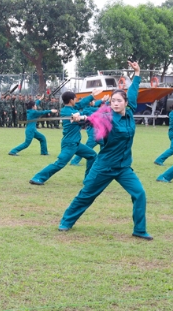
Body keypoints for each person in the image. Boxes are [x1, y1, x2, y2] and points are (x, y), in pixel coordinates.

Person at [58, 61, 152, 240]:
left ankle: (139, 230)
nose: (115, 103)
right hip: (104, 166)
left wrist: (137, 73)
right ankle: (66, 221)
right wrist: (80, 117)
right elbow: (91, 118)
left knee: (139, 194)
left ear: (125, 103)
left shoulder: (130, 113)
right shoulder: (107, 116)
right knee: (87, 194)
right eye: (113, 100)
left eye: (119, 101)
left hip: (124, 167)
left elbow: (133, 91)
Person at [30, 90, 102, 185]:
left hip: (76, 143)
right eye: (75, 99)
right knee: (59, 163)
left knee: (92, 155)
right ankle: (37, 178)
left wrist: (91, 96)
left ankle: (88, 180)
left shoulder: (70, 109)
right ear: (71, 100)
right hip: (70, 143)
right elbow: (83, 116)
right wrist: (82, 116)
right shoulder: (68, 112)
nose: (76, 100)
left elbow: (80, 104)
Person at [71, 95, 109, 166]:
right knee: (88, 148)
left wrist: (102, 100)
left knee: (103, 144)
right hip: (93, 131)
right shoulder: (88, 109)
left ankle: (102, 160)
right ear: (90, 103)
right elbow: (99, 110)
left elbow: (96, 104)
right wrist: (107, 103)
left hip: (94, 130)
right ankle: (74, 161)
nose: (94, 102)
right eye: (93, 101)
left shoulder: (89, 107)